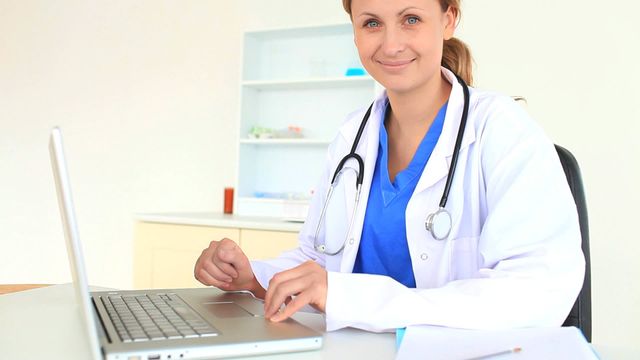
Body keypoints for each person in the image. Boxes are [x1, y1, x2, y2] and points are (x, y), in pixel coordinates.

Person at [194, 0, 585, 332]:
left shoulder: (501, 130)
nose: (391, 43)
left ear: (448, 20)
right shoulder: (352, 136)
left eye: (410, 19)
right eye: (371, 23)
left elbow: (538, 290)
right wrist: (254, 276)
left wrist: (351, 298)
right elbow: (319, 259)